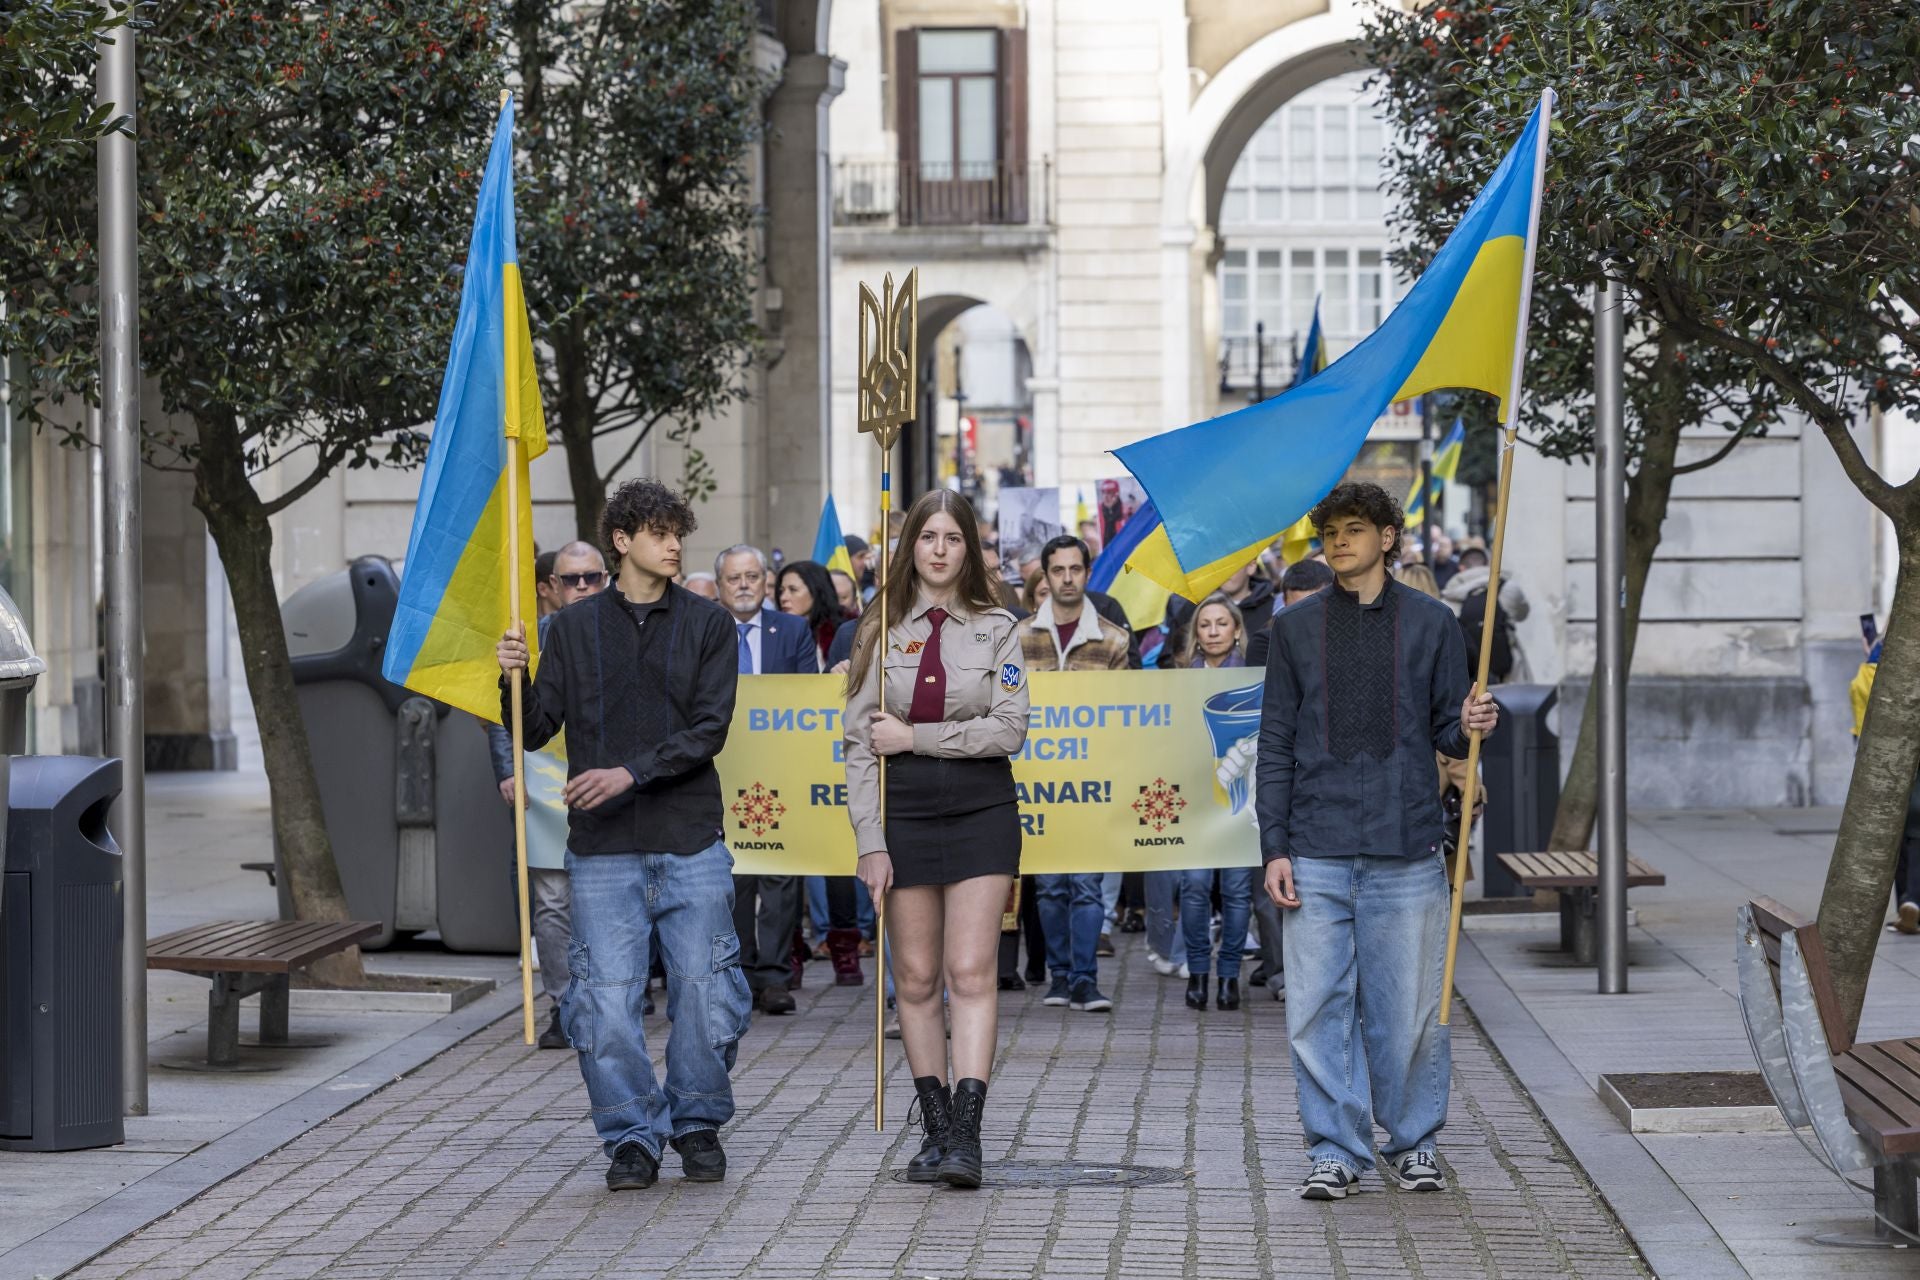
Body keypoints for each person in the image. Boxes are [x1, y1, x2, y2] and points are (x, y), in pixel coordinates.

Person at [497, 478, 749, 1194]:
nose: (675, 545)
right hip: (602, 848)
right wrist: (508, 680)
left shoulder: (708, 624)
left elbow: (709, 730)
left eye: (679, 533)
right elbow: (536, 727)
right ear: (622, 540)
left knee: (703, 993)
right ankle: (630, 1135)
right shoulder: (569, 631)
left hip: (690, 837)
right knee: (604, 1001)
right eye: (661, 532)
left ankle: (697, 1122)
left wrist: (628, 774)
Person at [1258, 481, 1498, 1201]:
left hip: (1407, 847)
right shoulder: (1295, 630)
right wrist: (1274, 846)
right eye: (1330, 531)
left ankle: (1414, 1143)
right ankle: (1334, 1149)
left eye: (1356, 528)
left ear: (1388, 538)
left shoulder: (1433, 623)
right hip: (1315, 848)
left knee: (1411, 1012)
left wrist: (1473, 720)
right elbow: (1273, 742)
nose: (1339, 541)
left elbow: (1448, 732)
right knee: (1315, 1011)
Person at [844, 489, 1028, 1190]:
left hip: (983, 809)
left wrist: (916, 736)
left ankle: (969, 1138)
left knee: (971, 971)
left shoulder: (998, 629)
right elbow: (859, 746)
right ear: (910, 546)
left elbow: (1009, 728)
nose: (941, 549)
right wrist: (869, 840)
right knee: (915, 979)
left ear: (970, 548)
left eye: (954, 537)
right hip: (903, 815)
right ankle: (938, 1129)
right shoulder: (879, 629)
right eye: (929, 537)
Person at [488, 541, 608, 1047]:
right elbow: (503, 713)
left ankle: (610, 997)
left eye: (592, 578)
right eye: (571, 579)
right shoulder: (527, 641)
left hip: (611, 791)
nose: (582, 587)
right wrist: (507, 769)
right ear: (550, 587)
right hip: (544, 789)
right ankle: (565, 1004)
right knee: (553, 902)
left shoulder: (621, 634)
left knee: (608, 899)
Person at [715, 544, 832, 1013]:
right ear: (721, 586)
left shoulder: (792, 629)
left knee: (781, 877)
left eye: (751, 576)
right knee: (734, 876)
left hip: (779, 770)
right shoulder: (704, 628)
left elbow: (805, 694)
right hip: (725, 769)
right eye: (733, 578)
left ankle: (775, 977)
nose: (743, 585)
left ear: (765, 582)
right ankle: (738, 972)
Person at [1018, 534, 1128, 1014]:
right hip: (1036, 781)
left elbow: (1129, 711)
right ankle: (1059, 976)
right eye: (1057, 570)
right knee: (1048, 886)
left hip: (1092, 782)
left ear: (1087, 573)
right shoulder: (1018, 638)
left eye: (1075, 569)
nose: (1066, 578)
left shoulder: (1113, 639)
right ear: (1045, 576)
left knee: (1086, 884)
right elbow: (1005, 697)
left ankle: (1085, 978)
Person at [1176, 593, 1256, 1011]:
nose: (1212, 631)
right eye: (1205, 624)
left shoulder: (1254, 678)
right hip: (1193, 802)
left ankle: (1228, 978)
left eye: (1221, 623)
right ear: (1196, 633)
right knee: (1193, 887)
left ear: (1236, 629)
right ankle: (1197, 973)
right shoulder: (1179, 680)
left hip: (1240, 801)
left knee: (1238, 891)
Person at [1442, 537, 1531, 683]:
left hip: (1468, 680)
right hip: (1507, 673)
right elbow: (1523, 613)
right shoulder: (1508, 589)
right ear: (1486, 564)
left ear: (1462, 568)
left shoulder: (1448, 598)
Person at [1246, 558, 1333, 667]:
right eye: (1296, 610)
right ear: (1284, 602)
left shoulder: (1354, 635)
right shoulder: (1267, 643)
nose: (1306, 618)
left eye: (1314, 609)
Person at [777, 559, 852, 671]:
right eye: (781, 591)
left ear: (816, 591)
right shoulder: (775, 633)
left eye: (793, 590)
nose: (783, 597)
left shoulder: (847, 633)